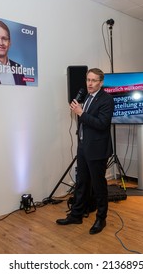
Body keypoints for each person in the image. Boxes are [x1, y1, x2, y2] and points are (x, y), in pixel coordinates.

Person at [56, 68, 114, 235]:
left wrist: (81, 113)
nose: (89, 83)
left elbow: (102, 124)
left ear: (101, 83)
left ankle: (101, 219)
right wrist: (79, 111)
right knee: (81, 182)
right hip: (83, 146)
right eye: (88, 80)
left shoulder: (107, 100)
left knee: (98, 186)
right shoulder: (87, 97)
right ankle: (76, 215)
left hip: (97, 149)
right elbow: (85, 121)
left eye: (94, 80)